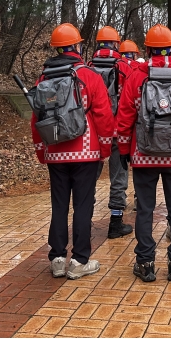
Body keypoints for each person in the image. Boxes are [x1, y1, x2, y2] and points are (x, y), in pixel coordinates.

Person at [116, 24, 171, 282]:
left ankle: (145, 263)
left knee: (144, 208)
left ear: (147, 49)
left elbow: (124, 117)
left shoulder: (136, 77)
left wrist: (124, 149)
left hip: (143, 154)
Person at [30, 23, 115, 279]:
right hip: (86, 152)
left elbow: (36, 119)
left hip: (55, 150)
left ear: (56, 48)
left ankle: (57, 258)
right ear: (77, 46)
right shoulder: (89, 75)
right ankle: (79, 261)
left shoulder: (44, 78)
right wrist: (105, 147)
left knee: (59, 205)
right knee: (83, 205)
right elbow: (102, 114)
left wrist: (41, 151)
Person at [89, 26, 134, 239]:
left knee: (89, 179)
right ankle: (115, 222)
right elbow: (130, 102)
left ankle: (84, 219)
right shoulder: (124, 67)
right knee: (119, 176)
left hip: (95, 133)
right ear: (117, 44)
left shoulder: (87, 67)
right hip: (118, 132)